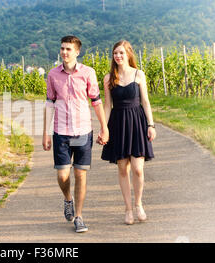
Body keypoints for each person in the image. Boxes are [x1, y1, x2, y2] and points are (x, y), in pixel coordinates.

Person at [43, 35, 109, 233]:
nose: (64, 52)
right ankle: (67, 199)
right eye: (62, 48)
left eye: (68, 49)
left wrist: (104, 127)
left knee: (80, 174)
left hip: (82, 131)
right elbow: (49, 103)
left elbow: (96, 102)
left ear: (77, 52)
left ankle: (79, 216)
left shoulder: (88, 73)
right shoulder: (53, 75)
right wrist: (46, 133)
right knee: (63, 175)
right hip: (61, 132)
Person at [101, 40, 156, 225]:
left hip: (137, 122)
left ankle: (139, 203)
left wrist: (151, 124)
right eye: (115, 53)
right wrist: (104, 128)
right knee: (122, 168)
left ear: (129, 54)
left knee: (138, 169)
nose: (118, 56)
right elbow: (107, 106)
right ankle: (128, 209)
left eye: (122, 53)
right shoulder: (109, 78)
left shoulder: (139, 75)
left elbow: (146, 102)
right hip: (118, 123)